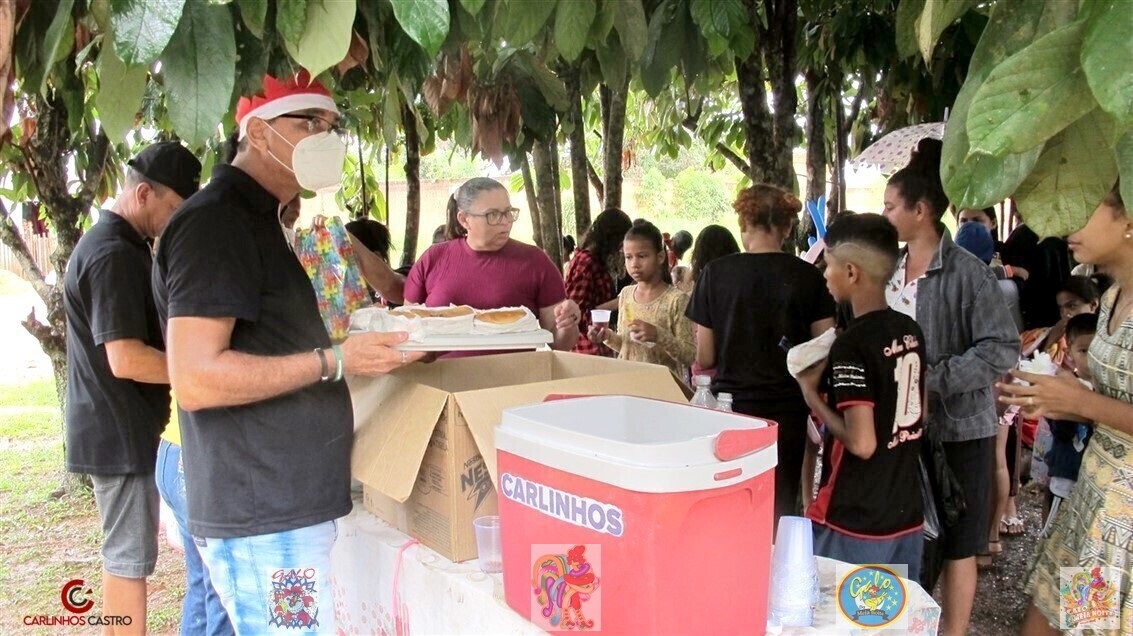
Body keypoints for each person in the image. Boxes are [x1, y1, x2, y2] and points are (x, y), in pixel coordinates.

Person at [153, 70, 425, 634]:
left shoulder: (263, 219)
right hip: (261, 515)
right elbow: (199, 378)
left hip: (280, 505)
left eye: (331, 125)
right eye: (308, 123)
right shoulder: (217, 224)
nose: (324, 137)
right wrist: (337, 360)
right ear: (256, 133)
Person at [881, 138, 1019, 636]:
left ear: (921, 211)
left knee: (961, 539)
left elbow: (1001, 348)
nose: (885, 215)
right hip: (901, 424)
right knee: (908, 527)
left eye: (891, 206)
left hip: (960, 427)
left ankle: (954, 631)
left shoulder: (967, 273)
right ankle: (904, 622)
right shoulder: (888, 270)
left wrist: (932, 380)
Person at [64, 141, 202, 633]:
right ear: (143, 193)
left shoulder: (120, 246)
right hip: (116, 432)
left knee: (130, 557)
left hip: (122, 426)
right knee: (128, 560)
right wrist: (199, 367)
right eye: (171, 210)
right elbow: (125, 358)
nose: (174, 221)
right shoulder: (113, 256)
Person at [999, 184, 1133, 635]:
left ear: (1129, 220)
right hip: (1094, 499)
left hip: (1124, 521)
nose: (1065, 225)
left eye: (1083, 210)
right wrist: (1055, 396)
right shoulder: (1113, 297)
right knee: (1052, 623)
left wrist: (1080, 400)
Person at [687, 184, 836, 525]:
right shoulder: (809, 277)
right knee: (781, 503)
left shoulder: (716, 274)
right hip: (789, 408)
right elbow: (825, 346)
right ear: (787, 228)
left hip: (731, 409)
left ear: (744, 224)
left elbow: (706, 356)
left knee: (735, 500)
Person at [795, 213, 925, 580]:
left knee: (846, 620)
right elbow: (919, 414)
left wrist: (811, 394)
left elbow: (863, 443)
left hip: (855, 520)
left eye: (829, 265)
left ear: (851, 272)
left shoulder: (851, 345)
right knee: (890, 621)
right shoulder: (910, 330)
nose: (824, 275)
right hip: (903, 513)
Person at [404, 177, 581, 354]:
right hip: (439, 377)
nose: (506, 221)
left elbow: (560, 343)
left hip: (514, 379)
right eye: (493, 215)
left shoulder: (535, 262)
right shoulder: (434, 258)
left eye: (508, 212)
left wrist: (568, 323)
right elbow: (407, 326)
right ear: (464, 219)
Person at [589, 219, 695, 381]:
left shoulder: (676, 300)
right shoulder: (626, 294)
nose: (634, 264)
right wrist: (606, 337)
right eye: (628, 257)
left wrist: (659, 335)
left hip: (661, 389)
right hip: (627, 384)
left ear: (660, 257)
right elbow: (626, 346)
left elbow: (689, 356)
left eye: (642, 256)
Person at [1040, 311, 1096, 533]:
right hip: (1066, 481)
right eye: (1083, 351)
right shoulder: (1065, 385)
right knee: (1059, 538)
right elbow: (1060, 431)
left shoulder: (1109, 390)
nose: (1090, 358)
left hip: (1096, 485)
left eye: (1095, 351)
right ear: (1069, 351)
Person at [566, 208, 632, 356]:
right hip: (587, 350)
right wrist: (620, 300)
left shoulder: (595, 261)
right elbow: (576, 314)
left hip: (599, 346)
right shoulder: (586, 263)